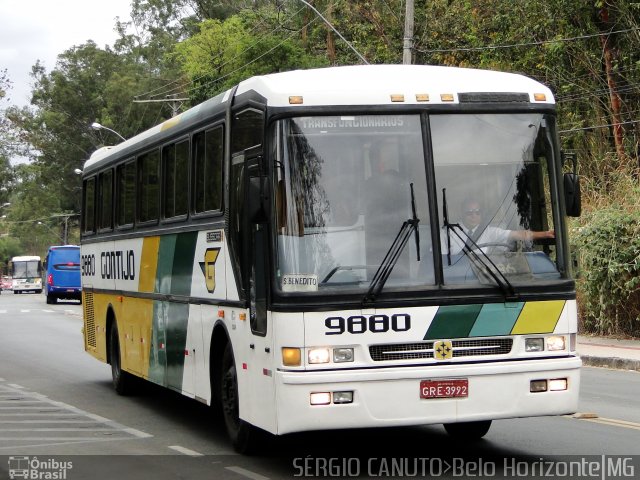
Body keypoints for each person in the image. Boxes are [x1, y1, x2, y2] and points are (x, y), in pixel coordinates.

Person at [444, 198, 555, 255]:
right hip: (455, 281)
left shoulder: (489, 232)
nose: (474, 216)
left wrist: (545, 234)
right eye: (469, 212)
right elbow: (439, 262)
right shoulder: (447, 232)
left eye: (477, 212)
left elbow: (519, 234)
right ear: (462, 213)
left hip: (479, 278)